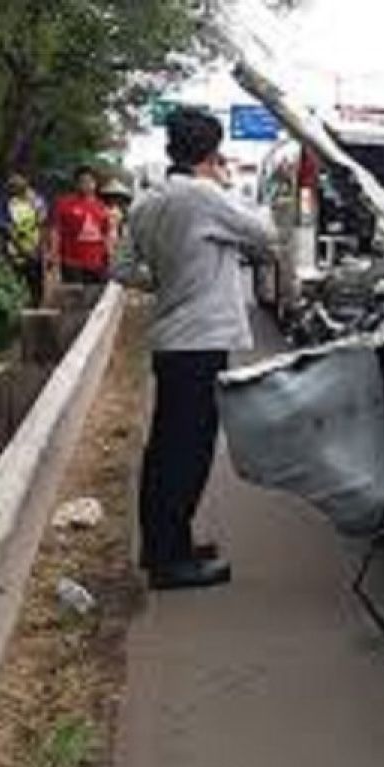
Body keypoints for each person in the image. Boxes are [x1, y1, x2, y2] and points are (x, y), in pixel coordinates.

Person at [120, 108, 275, 590]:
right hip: (203, 340)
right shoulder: (206, 196)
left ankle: (169, 546)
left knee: (168, 449)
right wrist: (226, 184)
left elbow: (122, 269)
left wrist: (170, 284)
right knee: (188, 452)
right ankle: (170, 562)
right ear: (213, 152)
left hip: (172, 340)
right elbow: (267, 236)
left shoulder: (146, 203)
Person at [48, 165, 112, 285]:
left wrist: (109, 256)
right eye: (83, 181)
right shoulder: (64, 204)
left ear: (96, 183)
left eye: (90, 181)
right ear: (77, 183)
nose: (87, 184)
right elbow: (55, 230)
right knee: (74, 297)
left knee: (94, 297)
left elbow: (106, 235)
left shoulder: (102, 207)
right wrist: (53, 253)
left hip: (97, 263)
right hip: (72, 262)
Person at [1, 174, 47, 306]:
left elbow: (42, 223)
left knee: (36, 290)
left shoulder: (36, 201)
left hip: (35, 251)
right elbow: (7, 229)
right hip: (14, 253)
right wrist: (23, 250)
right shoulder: (6, 204)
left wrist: (39, 249)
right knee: (16, 288)